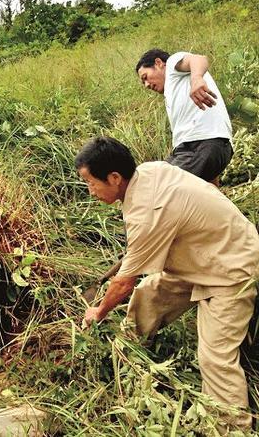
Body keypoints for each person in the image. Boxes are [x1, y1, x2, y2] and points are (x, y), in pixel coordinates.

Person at [76, 136, 259, 431]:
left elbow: (122, 284)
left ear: (114, 177)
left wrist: (98, 312)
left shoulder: (147, 212)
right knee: (150, 293)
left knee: (214, 358)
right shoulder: (149, 171)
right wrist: (136, 252)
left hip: (231, 270)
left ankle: (233, 427)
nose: (90, 190)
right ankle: (126, 355)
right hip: (206, 254)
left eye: (91, 182)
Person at [136, 49, 233, 184]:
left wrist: (196, 78)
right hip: (208, 147)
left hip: (202, 144)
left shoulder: (171, 65)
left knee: (158, 187)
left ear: (158, 63)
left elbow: (199, 59)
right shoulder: (173, 91)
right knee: (206, 196)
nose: (146, 85)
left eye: (145, 77)